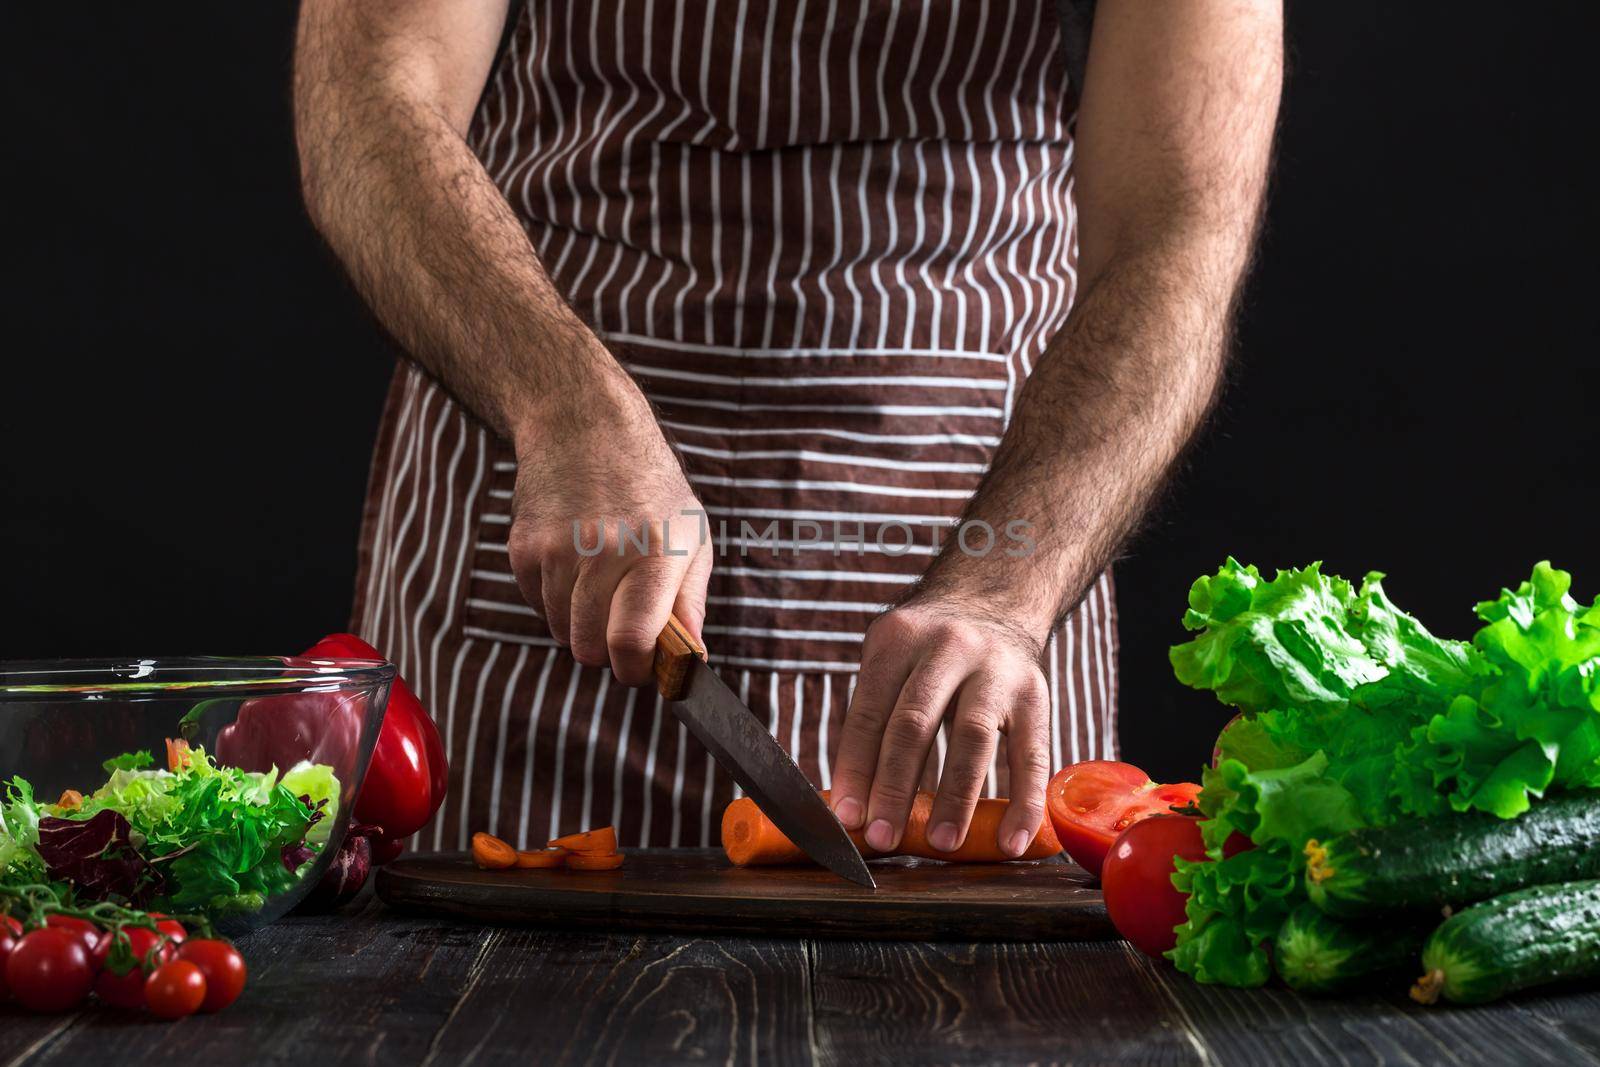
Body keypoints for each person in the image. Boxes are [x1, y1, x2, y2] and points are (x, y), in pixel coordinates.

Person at [293, 0, 1282, 858]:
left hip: (975, 541)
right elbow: (371, 104)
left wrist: (1004, 593)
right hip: (540, 508)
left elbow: (1177, 241)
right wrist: (564, 406)